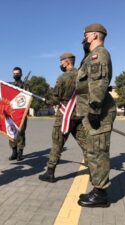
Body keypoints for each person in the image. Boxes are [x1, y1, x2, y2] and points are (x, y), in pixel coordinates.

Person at [75, 23, 117, 207]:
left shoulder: (98, 54)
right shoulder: (90, 56)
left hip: (97, 112)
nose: (84, 38)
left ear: (93, 36)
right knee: (93, 151)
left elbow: (98, 83)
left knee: (98, 152)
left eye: (85, 35)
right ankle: (98, 189)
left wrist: (94, 109)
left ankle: (100, 195)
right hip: (91, 110)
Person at [38, 52, 79, 182]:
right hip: (79, 113)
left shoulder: (62, 78)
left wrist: (48, 101)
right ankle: (95, 171)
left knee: (57, 143)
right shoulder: (83, 75)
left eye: (61, 62)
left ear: (67, 61)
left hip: (64, 115)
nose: (60, 64)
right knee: (85, 144)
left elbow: (56, 98)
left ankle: (50, 172)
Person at [8, 67, 28, 161]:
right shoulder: (10, 85)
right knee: (11, 131)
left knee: (21, 133)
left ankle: (20, 153)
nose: (16, 75)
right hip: (12, 113)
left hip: (21, 113)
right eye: (14, 73)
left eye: (18, 73)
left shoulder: (25, 85)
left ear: (21, 74)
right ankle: (14, 152)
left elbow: (28, 97)